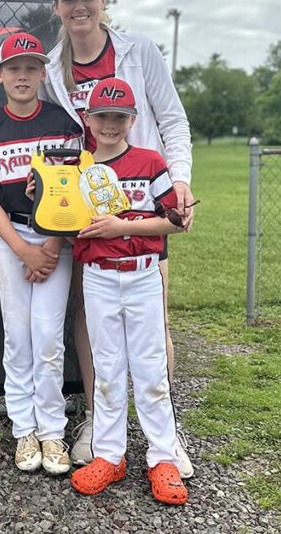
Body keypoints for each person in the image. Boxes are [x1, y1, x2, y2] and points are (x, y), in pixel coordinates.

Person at [43, 0, 195, 475]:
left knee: (155, 318)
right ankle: (99, 423)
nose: (79, 5)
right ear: (57, 6)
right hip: (86, 207)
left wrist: (180, 181)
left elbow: (172, 117)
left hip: (144, 200)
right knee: (91, 315)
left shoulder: (140, 50)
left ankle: (166, 438)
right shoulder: (49, 68)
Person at [68, 77, 188, 504]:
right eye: (102, 117)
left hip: (141, 274)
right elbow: (60, 217)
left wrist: (124, 225)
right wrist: (41, 191)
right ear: (89, 118)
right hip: (99, 275)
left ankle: (162, 458)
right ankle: (110, 454)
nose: (110, 125)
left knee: (151, 368)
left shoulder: (149, 161)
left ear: (132, 119)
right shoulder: (79, 168)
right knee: (108, 367)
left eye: (119, 117)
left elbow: (175, 219)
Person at [0, 32, 82, 476]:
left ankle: (52, 429)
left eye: (31, 67)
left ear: (43, 73)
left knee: (49, 338)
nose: (23, 75)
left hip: (57, 239)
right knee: (18, 336)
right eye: (14, 68)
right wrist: (22, 249)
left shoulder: (63, 124)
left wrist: (50, 247)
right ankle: (24, 430)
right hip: (11, 237)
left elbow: (72, 191)